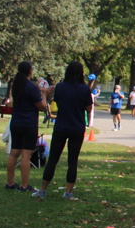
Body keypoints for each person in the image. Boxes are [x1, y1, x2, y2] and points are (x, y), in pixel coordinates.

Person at [34, 61, 92, 200]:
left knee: (53, 158)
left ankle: (43, 189)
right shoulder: (85, 89)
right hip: (77, 127)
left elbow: (58, 102)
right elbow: (89, 108)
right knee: (73, 160)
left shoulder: (60, 87)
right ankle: (68, 192)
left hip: (61, 126)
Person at [6, 61, 48, 193]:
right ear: (30, 71)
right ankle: (24, 185)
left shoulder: (16, 85)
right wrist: (45, 94)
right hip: (29, 123)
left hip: (16, 122)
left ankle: (10, 182)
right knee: (26, 155)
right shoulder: (31, 87)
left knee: (14, 153)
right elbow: (41, 106)